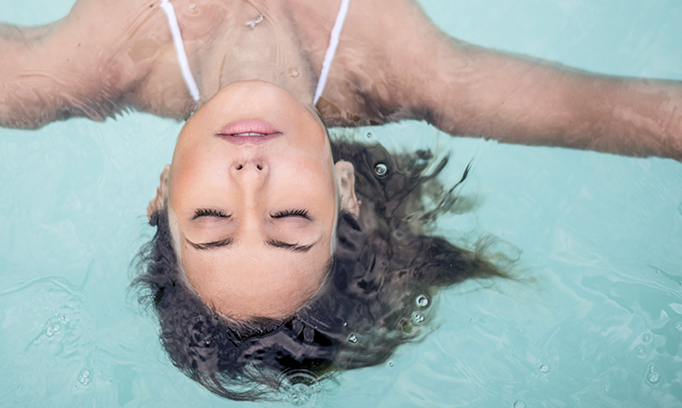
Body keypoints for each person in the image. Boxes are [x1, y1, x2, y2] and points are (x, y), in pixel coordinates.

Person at [1, 0, 681, 401]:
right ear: (344, 189)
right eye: (290, 219)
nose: (249, 176)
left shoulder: (77, 69)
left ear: (163, 191)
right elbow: (654, 120)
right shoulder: (419, 75)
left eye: (211, 220)